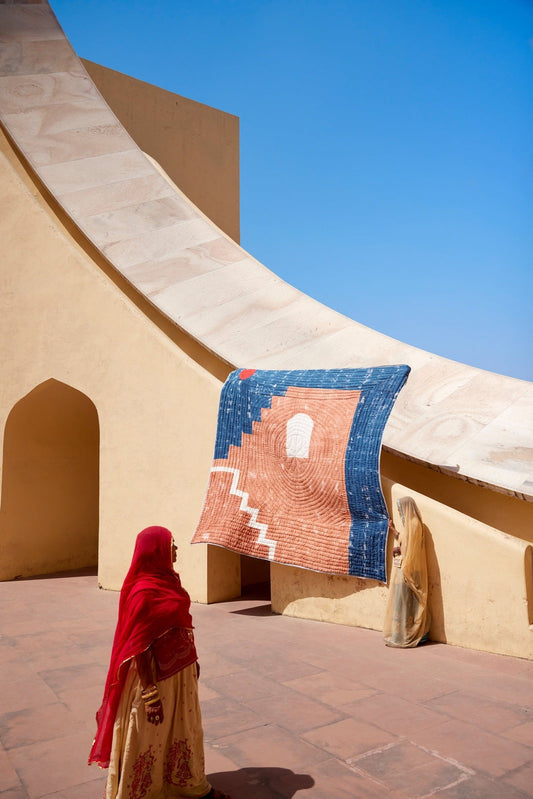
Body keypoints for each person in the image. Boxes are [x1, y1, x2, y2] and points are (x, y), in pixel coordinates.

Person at [89, 525, 230, 799]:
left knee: (183, 729)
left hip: (180, 674)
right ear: (155, 551)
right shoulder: (143, 592)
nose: (175, 549)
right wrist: (150, 694)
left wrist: (192, 658)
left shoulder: (168, 582)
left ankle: (186, 785)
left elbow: (180, 624)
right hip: (154, 677)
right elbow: (139, 646)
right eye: (170, 544)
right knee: (148, 734)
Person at [383, 497, 430, 648]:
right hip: (403, 568)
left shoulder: (415, 525)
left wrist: (399, 550)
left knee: (407, 604)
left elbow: (411, 549)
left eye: (401, 509)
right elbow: (404, 541)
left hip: (409, 570)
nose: (400, 512)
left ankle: (408, 634)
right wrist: (392, 529)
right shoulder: (409, 525)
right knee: (401, 602)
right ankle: (401, 632)